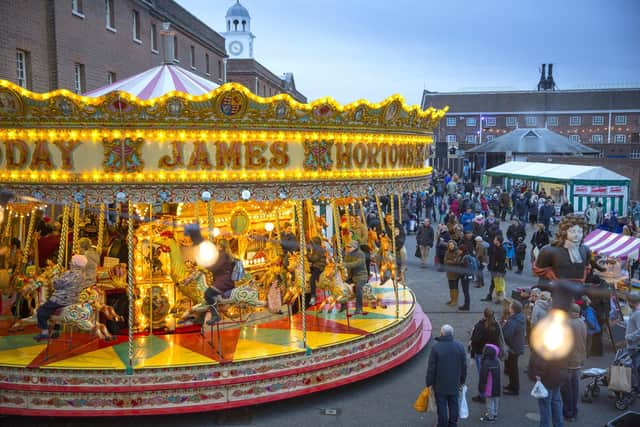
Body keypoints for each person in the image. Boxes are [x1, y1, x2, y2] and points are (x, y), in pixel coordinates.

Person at [34, 254, 89, 341]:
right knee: (55, 313)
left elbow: (57, 285)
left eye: (71, 261)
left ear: (75, 264)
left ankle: (44, 332)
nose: (70, 263)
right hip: (73, 300)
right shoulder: (83, 275)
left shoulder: (70, 274)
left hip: (61, 299)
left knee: (41, 311)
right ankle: (56, 329)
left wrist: (54, 278)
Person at [426, 324, 467, 427]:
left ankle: (442, 424)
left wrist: (429, 382)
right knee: (454, 404)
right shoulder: (460, 347)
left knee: (442, 405)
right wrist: (462, 380)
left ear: (442, 333)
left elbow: (431, 368)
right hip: (455, 382)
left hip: (440, 383)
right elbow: (464, 366)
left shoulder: (436, 348)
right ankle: (453, 424)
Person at [529, 348, 568, 427]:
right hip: (558, 373)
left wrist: (538, 374)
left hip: (547, 377)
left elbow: (542, 358)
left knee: (545, 404)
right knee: (556, 402)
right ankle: (559, 425)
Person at [561, 303, 587, 422]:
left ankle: (568, 413)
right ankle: (574, 411)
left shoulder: (567, 324)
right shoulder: (582, 323)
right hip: (578, 360)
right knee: (575, 388)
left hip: (568, 361)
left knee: (566, 389)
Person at [469, 308, 500, 385]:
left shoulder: (480, 326)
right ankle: (491, 387)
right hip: (492, 352)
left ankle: (483, 394)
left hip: (480, 352)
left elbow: (475, 340)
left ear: (484, 314)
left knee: (482, 374)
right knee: (490, 372)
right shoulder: (496, 325)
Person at [502, 301, 525, 395]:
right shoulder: (519, 318)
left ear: (513, 310)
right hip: (517, 346)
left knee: (513, 369)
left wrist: (504, 327)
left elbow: (507, 336)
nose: (508, 308)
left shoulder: (512, 321)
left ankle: (514, 388)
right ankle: (511, 385)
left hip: (512, 348)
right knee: (512, 368)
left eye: (510, 306)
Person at [344, 240, 368, 316]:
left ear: (354, 247)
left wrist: (345, 264)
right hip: (351, 276)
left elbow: (356, 264)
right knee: (341, 287)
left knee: (358, 288)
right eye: (346, 247)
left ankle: (359, 308)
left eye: (349, 247)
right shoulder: (347, 254)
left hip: (361, 276)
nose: (347, 248)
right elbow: (345, 263)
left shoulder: (361, 254)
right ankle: (343, 305)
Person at [478, 343, 501, 422]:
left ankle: (490, 417)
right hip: (496, 385)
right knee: (495, 400)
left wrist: (481, 388)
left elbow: (483, 377)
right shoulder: (497, 361)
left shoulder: (486, 363)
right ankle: (495, 413)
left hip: (489, 386)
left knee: (489, 401)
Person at [482, 235, 506, 302]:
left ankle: (499, 298)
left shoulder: (502, 250)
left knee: (499, 285)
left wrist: (498, 271)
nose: (493, 240)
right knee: (493, 283)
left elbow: (502, 262)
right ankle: (490, 296)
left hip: (499, 270)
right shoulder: (494, 247)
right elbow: (491, 257)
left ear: (498, 241)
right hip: (493, 269)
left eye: (495, 239)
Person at [625, 292, 640, 393]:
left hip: (634, 346)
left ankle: (637, 389)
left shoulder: (637, 313)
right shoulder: (635, 312)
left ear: (630, 302)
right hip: (632, 345)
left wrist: (629, 337)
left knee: (635, 368)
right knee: (633, 368)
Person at [307, 236, 327, 306]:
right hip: (315, 266)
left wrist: (307, 254)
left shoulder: (319, 250)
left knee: (312, 279)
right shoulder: (317, 249)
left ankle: (313, 296)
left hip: (319, 267)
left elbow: (313, 258)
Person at [444, 240, 461, 306]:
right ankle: (452, 299)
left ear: (454, 245)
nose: (450, 246)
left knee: (455, 287)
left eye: (452, 245)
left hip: (455, 272)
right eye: (449, 245)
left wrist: (449, 261)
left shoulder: (458, 252)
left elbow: (456, 262)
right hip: (449, 272)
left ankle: (455, 301)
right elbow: (445, 261)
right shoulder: (447, 252)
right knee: (451, 286)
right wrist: (451, 261)